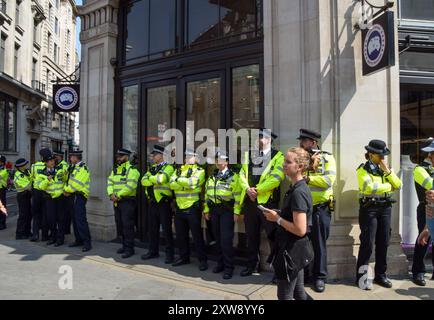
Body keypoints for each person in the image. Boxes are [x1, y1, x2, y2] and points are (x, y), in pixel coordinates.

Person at [262, 147, 313, 300]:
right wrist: (280, 213)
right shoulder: (295, 187)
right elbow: (293, 217)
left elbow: (300, 229)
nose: (284, 164)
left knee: (285, 295)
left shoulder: (298, 192)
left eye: (288, 162)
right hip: (294, 249)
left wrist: (277, 219)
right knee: (299, 293)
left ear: (300, 167)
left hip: (292, 251)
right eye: (284, 161)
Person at [356, 140, 402, 289]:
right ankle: (362, 278)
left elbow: (399, 185)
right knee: (368, 244)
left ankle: (381, 275)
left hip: (385, 208)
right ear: (371, 154)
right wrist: (389, 186)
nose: (383, 158)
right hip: (370, 208)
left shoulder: (386, 169)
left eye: (384, 155)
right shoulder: (363, 169)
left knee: (384, 242)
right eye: (379, 155)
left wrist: (388, 172)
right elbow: (369, 188)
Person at [238, 128, 285, 277]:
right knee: (251, 237)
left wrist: (257, 190)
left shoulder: (278, 156)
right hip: (250, 202)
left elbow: (276, 178)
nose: (259, 139)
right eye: (258, 137)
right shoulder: (248, 154)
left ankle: (279, 271)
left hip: (267, 203)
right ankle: (252, 266)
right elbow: (241, 174)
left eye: (262, 137)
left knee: (273, 238)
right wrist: (247, 190)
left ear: (270, 139)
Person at [297, 128, 336, 292]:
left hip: (320, 209)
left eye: (304, 141)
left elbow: (329, 180)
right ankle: (304, 275)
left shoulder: (327, 157)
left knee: (319, 244)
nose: (301, 143)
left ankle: (319, 277)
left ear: (313, 142)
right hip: (303, 208)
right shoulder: (300, 158)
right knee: (302, 243)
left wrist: (309, 178)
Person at [203, 151, 241, 280]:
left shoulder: (233, 176)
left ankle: (229, 267)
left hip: (227, 211)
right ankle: (220, 264)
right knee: (217, 239)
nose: (218, 162)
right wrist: (206, 209)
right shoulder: (212, 176)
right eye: (217, 160)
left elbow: (237, 196)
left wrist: (236, 211)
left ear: (227, 162)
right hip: (214, 210)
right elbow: (207, 194)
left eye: (221, 159)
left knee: (226, 241)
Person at [170, 149, 207, 271]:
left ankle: (202, 260)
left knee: (197, 235)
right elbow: (171, 184)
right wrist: (184, 183)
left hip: (192, 207)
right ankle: (183, 257)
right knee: (181, 235)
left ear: (196, 158)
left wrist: (179, 181)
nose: (187, 158)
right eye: (186, 156)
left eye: (190, 156)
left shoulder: (200, 170)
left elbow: (193, 183)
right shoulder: (179, 169)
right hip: (180, 207)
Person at [141, 145, 175, 264]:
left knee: (166, 230)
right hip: (153, 202)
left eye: (154, 155)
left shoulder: (169, 167)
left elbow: (161, 179)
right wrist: (152, 178)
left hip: (163, 203)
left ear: (161, 156)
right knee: (152, 229)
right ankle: (153, 251)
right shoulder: (152, 168)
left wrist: (151, 178)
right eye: (152, 155)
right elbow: (143, 181)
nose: (152, 157)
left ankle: (170, 254)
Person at [107, 148, 140, 258]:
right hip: (117, 202)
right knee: (120, 225)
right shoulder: (115, 169)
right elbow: (109, 182)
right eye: (118, 156)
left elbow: (130, 186)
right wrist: (111, 194)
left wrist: (117, 195)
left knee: (128, 226)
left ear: (127, 157)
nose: (118, 158)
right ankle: (124, 246)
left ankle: (130, 249)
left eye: (121, 156)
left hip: (127, 202)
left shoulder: (132, 170)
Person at [412, 139, 434, 286]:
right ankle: (418, 271)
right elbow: (430, 185)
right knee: (423, 240)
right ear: (430, 154)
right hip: (426, 208)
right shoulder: (419, 169)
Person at [35, 150, 65, 246]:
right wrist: (47, 180)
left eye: (53, 160)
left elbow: (65, 180)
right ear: (46, 162)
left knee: (60, 219)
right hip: (49, 198)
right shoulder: (41, 173)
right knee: (51, 219)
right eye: (50, 161)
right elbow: (40, 187)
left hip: (60, 198)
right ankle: (53, 237)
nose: (52, 162)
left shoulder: (60, 170)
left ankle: (60, 239)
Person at [64, 150, 92, 252]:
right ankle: (78, 240)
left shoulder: (83, 168)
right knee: (74, 220)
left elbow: (77, 184)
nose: (70, 159)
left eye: (71, 157)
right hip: (72, 195)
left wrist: (66, 190)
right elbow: (68, 180)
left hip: (79, 196)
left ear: (76, 158)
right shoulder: (73, 167)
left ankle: (87, 242)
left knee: (80, 220)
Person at [30, 149, 50, 241]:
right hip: (46, 191)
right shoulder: (51, 165)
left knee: (36, 213)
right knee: (45, 214)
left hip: (37, 191)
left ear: (41, 156)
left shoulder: (34, 166)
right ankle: (45, 236)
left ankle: (35, 234)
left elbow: (32, 178)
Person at [53, 150, 72, 235]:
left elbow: (65, 178)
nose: (54, 157)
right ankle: (63, 229)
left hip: (63, 192)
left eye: (55, 155)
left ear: (59, 156)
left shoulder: (64, 165)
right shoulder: (57, 165)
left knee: (64, 213)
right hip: (58, 191)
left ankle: (65, 230)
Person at [13, 158, 33, 239]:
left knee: (29, 214)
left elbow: (32, 179)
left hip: (28, 195)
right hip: (22, 195)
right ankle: (20, 233)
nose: (26, 165)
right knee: (23, 215)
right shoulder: (18, 174)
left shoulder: (26, 172)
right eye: (25, 164)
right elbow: (27, 186)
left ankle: (27, 232)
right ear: (21, 166)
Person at [0, 155, 8, 230]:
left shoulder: (5, 170)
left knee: (2, 207)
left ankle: (2, 223)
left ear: (2, 163)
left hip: (2, 190)